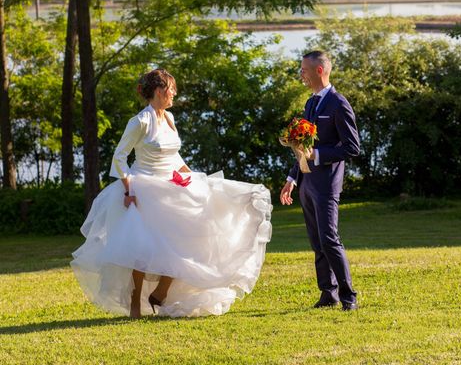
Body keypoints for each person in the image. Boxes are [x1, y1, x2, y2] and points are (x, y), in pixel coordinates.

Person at [71, 69, 272, 318]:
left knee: (187, 238)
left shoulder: (170, 118)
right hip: (144, 188)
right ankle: (136, 301)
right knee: (141, 249)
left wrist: (194, 176)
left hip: (172, 187)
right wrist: (128, 189)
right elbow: (119, 157)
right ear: (159, 91)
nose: (174, 93)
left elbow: (174, 156)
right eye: (171, 89)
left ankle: (162, 291)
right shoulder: (140, 122)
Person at [279, 51, 360, 311]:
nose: (301, 74)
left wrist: (319, 154)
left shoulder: (338, 103)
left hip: (327, 184)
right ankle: (328, 293)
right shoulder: (311, 104)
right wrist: (293, 177)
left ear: (319, 71)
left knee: (329, 239)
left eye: (304, 70)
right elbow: (303, 147)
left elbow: (352, 147)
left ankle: (349, 297)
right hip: (307, 185)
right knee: (316, 242)